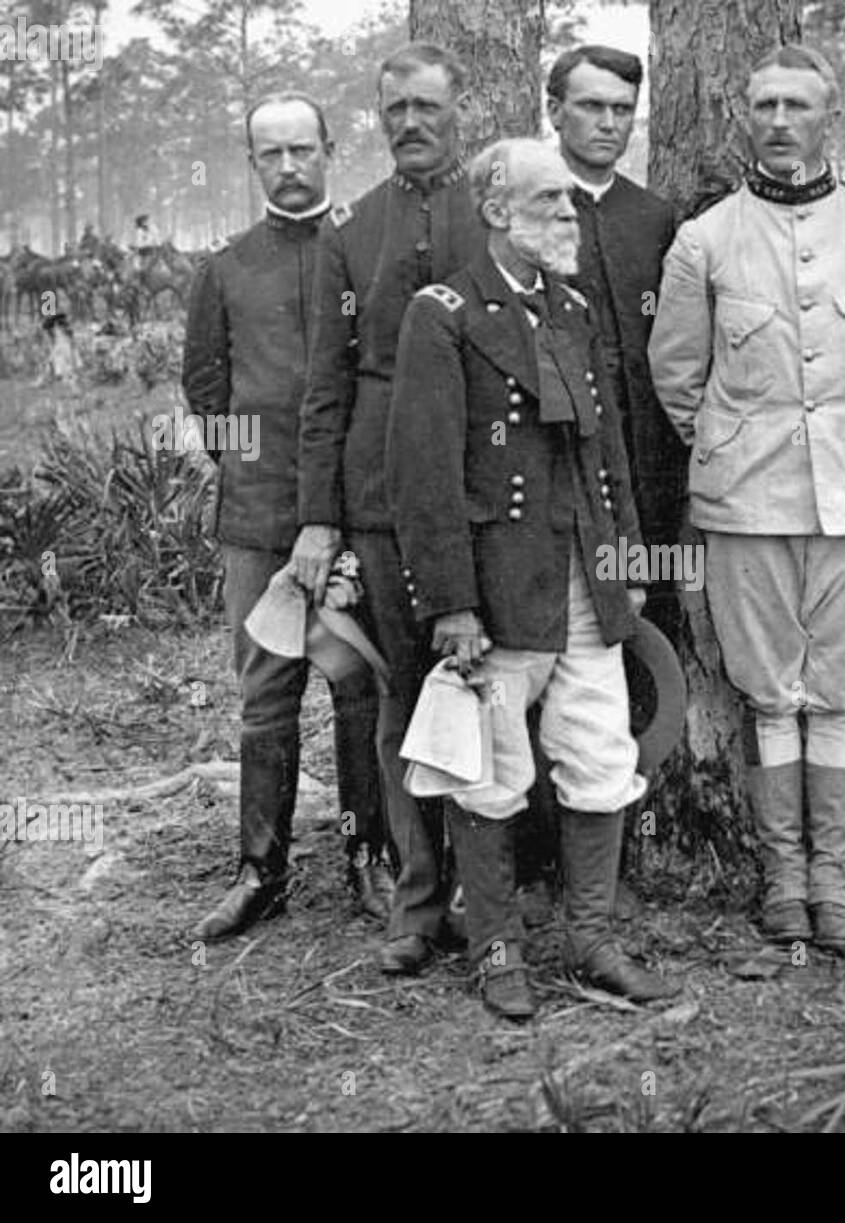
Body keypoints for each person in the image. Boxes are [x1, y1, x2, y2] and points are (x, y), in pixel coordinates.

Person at [649, 45, 845, 951]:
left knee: (842, 692)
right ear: (744, 114)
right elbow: (676, 374)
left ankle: (836, 881)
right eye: (764, 103)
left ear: (831, 118)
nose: (779, 121)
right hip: (748, 503)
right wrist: (734, 446)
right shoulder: (706, 241)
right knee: (770, 696)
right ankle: (784, 880)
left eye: (798, 106)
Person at [386, 138, 680, 1020]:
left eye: (571, 201)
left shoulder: (575, 308)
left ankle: (592, 939)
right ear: (497, 211)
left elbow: (608, 453)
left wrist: (625, 562)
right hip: (498, 587)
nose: (568, 214)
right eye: (549, 200)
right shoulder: (441, 314)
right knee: (490, 774)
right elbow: (424, 475)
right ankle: (498, 946)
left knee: (599, 757)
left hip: (585, 582)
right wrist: (452, 606)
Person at [292, 43, 485, 976]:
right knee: (402, 695)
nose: (410, 123)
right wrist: (319, 518)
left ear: (461, 110)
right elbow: (325, 388)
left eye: (427, 107)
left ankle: (489, 893)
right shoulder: (351, 229)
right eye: (394, 108)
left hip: (486, 495)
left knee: (492, 691)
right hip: (378, 501)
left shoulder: (495, 208)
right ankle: (415, 900)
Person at [183, 92, 390, 940]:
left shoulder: (363, 254)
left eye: (302, 150)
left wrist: (339, 510)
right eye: (270, 154)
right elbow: (206, 391)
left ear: (330, 150)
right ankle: (259, 871)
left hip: (354, 518)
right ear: (251, 163)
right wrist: (252, 469)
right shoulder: (227, 267)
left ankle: (368, 857)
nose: (289, 167)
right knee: (266, 691)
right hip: (260, 522)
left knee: (357, 683)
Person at [546, 45, 686, 644]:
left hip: (652, 463)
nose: (609, 123)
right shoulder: (533, 206)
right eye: (592, 106)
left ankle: (659, 732)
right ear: (555, 111)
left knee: (656, 610)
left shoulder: (654, 217)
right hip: (563, 459)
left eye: (623, 110)